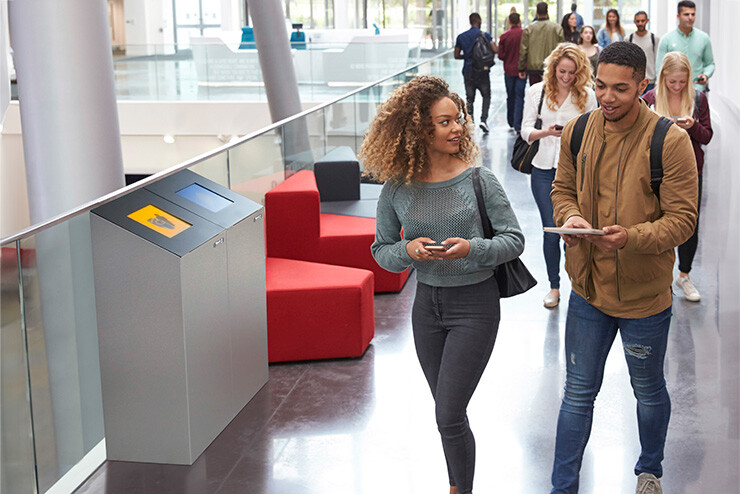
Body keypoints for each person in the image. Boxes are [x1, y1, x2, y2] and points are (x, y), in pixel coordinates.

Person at [360, 75, 525, 494]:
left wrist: (471, 248)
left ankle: (459, 490)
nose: (458, 129)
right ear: (420, 129)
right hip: (426, 306)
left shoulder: (479, 180)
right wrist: (408, 252)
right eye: (445, 122)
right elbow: (381, 250)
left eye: (459, 120)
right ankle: (458, 483)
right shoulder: (397, 188)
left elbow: (514, 240)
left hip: (475, 304)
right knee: (446, 414)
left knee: (448, 413)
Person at [549, 41, 698, 493]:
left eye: (620, 88)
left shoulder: (670, 141)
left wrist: (630, 238)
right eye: (600, 86)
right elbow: (562, 190)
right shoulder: (577, 131)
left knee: (648, 391)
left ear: (643, 86)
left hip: (644, 298)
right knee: (577, 395)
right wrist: (570, 217)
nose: (607, 97)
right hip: (588, 292)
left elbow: (683, 221)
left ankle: (649, 470)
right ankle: (562, 487)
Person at [521, 43, 597, 308]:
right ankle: (554, 286)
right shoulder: (536, 92)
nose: (566, 77)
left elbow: (595, 133)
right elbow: (525, 131)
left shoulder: (587, 96)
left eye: (572, 73)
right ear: (553, 68)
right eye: (562, 71)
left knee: (573, 230)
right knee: (552, 230)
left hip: (575, 171)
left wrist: (572, 135)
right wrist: (547, 132)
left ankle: (578, 284)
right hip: (542, 169)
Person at [642, 51, 713, 302]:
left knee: (688, 224)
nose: (677, 87)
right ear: (662, 78)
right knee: (656, 220)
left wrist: (692, 125)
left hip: (690, 170)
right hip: (655, 169)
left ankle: (684, 275)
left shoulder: (699, 99)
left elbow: (707, 136)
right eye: (672, 82)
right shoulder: (649, 98)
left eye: (682, 82)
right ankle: (659, 277)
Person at [657, 0, 714, 93]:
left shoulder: (704, 38)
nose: (690, 18)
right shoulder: (666, 39)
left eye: (693, 14)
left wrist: (705, 75)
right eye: (686, 14)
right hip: (673, 92)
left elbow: (710, 64)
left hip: (697, 90)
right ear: (678, 16)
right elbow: (660, 67)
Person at [455, 12, 497, 133]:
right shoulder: (485, 35)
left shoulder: (461, 36)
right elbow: (495, 49)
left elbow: (456, 55)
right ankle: (483, 120)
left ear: (470, 21)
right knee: (486, 95)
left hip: (468, 71)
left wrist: (469, 57)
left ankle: (471, 121)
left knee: (469, 98)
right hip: (482, 71)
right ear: (479, 21)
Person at [519, 2, 564, 85]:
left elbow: (523, 51)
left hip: (533, 68)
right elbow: (562, 48)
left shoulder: (529, 29)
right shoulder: (557, 28)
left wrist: (521, 68)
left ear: (537, 12)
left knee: (535, 94)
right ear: (547, 12)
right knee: (551, 93)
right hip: (552, 66)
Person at [498, 12, 526, 133]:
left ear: (509, 22)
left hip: (508, 70)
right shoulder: (524, 34)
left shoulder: (504, 36)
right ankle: (517, 123)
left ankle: (510, 120)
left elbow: (500, 55)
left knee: (510, 96)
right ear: (519, 21)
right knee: (520, 96)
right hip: (522, 70)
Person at [628, 11, 660, 93]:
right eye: (638, 21)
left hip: (651, 81)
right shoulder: (629, 39)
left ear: (647, 21)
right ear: (634, 22)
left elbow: (658, 60)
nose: (640, 23)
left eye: (642, 21)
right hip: (635, 80)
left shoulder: (654, 38)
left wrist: (657, 80)